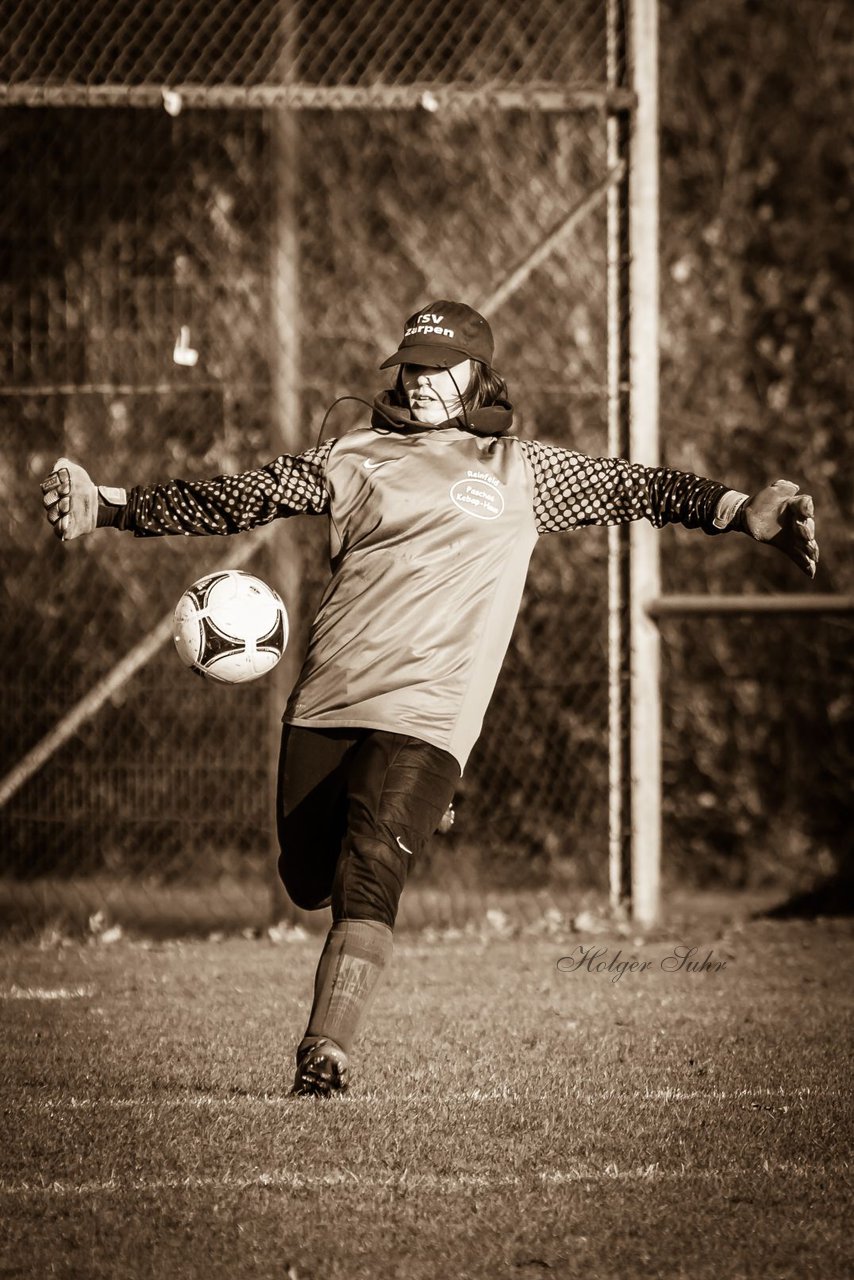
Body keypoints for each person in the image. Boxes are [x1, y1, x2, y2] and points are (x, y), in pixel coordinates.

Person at [41, 299, 819, 1097]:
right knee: (308, 879)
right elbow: (237, 497)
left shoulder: (524, 472)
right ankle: (403, 817)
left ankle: (326, 1051)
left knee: (369, 870)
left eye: (435, 367)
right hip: (328, 702)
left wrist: (738, 512)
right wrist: (108, 504)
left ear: (478, 376)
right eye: (407, 367)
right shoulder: (352, 456)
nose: (416, 382)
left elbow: (642, 488)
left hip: (429, 715)